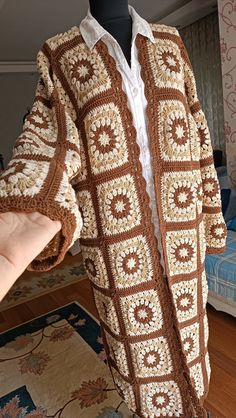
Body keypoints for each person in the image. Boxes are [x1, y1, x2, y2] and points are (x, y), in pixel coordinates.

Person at [0, 1, 226, 416]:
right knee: (136, 350)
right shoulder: (62, 54)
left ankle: (196, 405)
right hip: (116, 246)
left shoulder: (171, 44)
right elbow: (45, 138)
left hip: (181, 233)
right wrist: (22, 204)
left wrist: (211, 218)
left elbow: (196, 131)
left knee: (192, 337)